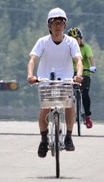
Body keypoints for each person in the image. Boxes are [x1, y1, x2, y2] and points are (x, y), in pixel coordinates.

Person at [27, 8, 83, 157]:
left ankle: (69, 136)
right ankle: (44, 139)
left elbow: (78, 60)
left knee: (69, 105)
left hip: (65, 80)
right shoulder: (43, 42)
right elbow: (33, 59)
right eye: (54, 23)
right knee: (45, 110)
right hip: (46, 80)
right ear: (49, 26)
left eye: (61, 23)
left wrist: (78, 75)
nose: (58, 26)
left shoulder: (71, 42)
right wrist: (31, 75)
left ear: (65, 26)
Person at [67, 27, 97, 129]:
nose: (75, 41)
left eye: (77, 38)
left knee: (85, 94)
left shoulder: (86, 48)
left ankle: (87, 116)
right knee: (68, 95)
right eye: (73, 39)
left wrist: (93, 66)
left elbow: (91, 58)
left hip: (85, 73)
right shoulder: (67, 49)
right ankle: (71, 113)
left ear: (81, 39)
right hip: (71, 74)